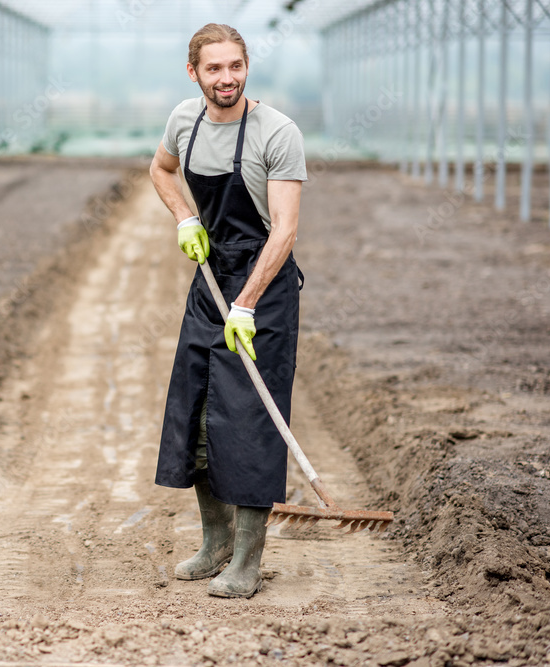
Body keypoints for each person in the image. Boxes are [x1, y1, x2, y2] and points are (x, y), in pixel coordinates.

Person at [148, 23, 307, 599]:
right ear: (194, 73)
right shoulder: (183, 121)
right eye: (214, 68)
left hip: (262, 288)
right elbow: (161, 171)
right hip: (210, 279)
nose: (227, 78)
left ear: (247, 66)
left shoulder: (277, 132)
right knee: (196, 410)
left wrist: (246, 304)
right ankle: (215, 543)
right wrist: (185, 218)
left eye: (235, 66)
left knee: (248, 420)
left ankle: (246, 560)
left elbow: (285, 230)